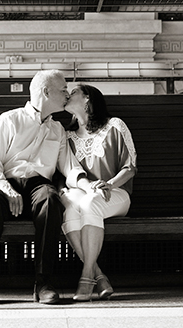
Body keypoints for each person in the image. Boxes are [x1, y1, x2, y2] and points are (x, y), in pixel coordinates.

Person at [0, 70, 88, 307]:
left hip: (39, 188)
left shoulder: (57, 130)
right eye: (63, 90)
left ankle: (43, 283)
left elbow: (69, 166)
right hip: (4, 184)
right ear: (45, 92)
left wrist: (87, 185)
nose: (67, 94)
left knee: (52, 200)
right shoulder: (9, 120)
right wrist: (7, 189)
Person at [59, 84, 137, 301]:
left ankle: (86, 277)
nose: (67, 95)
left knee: (91, 202)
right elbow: (67, 173)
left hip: (116, 195)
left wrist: (109, 184)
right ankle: (99, 277)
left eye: (72, 92)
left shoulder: (115, 126)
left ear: (87, 99)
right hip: (85, 196)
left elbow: (130, 168)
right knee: (70, 208)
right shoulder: (68, 136)